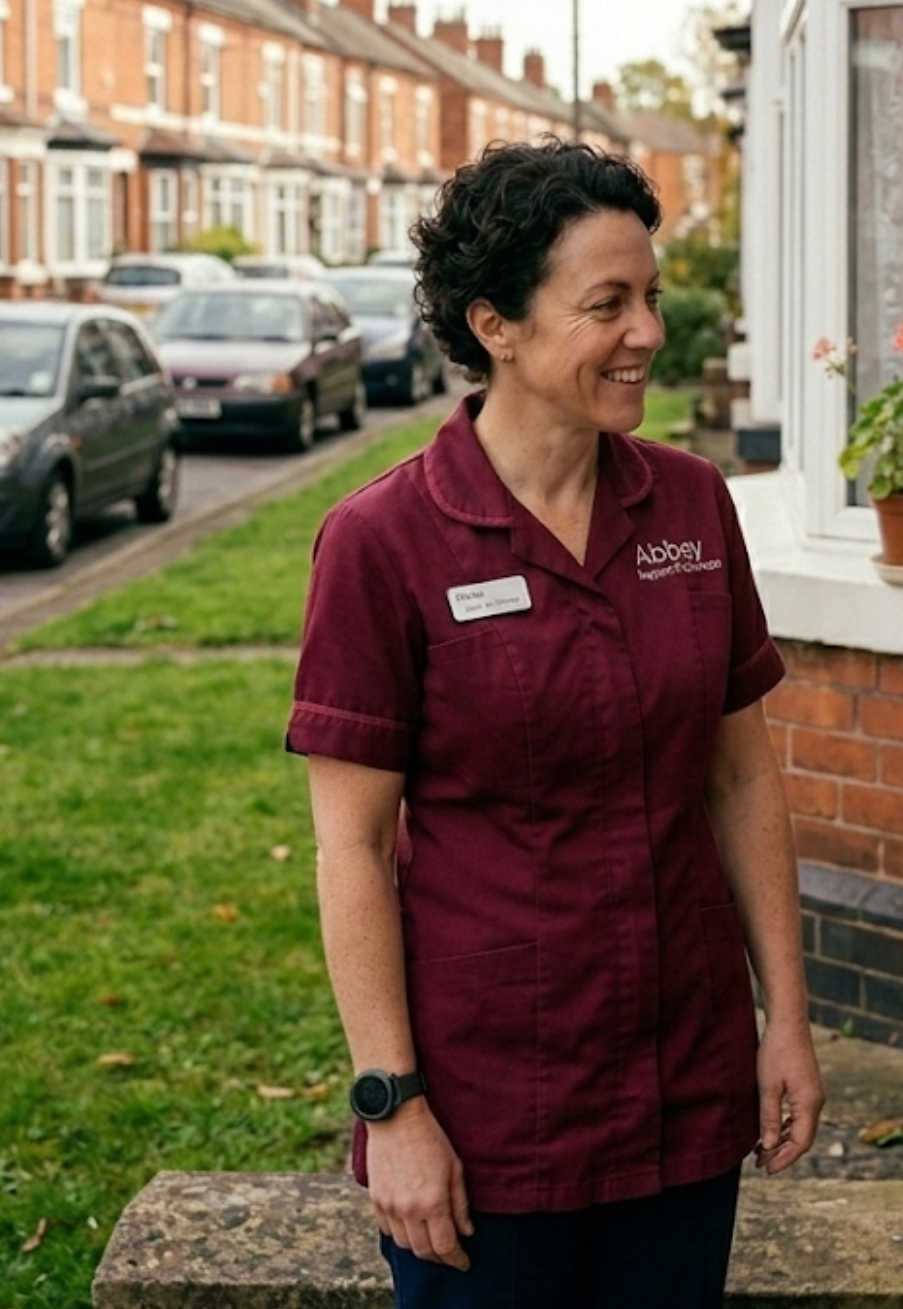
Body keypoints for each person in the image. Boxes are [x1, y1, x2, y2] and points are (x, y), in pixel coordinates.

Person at [288, 140, 822, 1309]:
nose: (645, 332)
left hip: (681, 1081)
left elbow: (738, 778)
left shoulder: (689, 505)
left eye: (650, 297)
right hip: (491, 1114)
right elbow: (353, 850)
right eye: (605, 305)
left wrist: (783, 1017)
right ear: (497, 326)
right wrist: (394, 1107)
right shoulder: (382, 545)